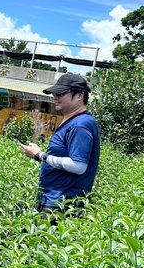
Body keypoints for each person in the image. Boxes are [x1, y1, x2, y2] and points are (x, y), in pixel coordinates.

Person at [18, 73, 100, 213]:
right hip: (52, 199)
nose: (55, 97)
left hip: (61, 204)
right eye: (54, 93)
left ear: (79, 95)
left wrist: (40, 155)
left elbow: (78, 165)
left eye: (61, 93)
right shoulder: (73, 121)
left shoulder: (80, 125)